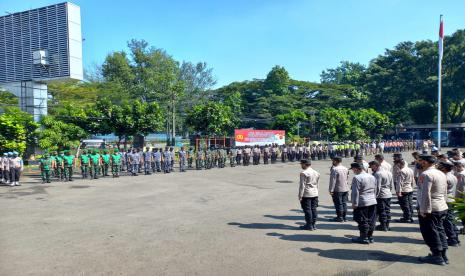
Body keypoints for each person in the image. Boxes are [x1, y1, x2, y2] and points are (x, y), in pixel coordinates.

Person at [417, 154, 449, 266]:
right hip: (441, 206)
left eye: (420, 161)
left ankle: (437, 256)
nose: (419, 162)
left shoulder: (426, 174)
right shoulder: (441, 173)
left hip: (431, 208)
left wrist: (424, 209)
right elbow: (444, 191)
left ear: (425, 162)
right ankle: (443, 255)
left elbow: (426, 193)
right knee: (440, 230)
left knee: (430, 232)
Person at [350, 162, 377, 244]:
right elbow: (375, 189)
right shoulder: (372, 176)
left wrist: (354, 203)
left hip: (362, 202)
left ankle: (363, 237)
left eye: (353, 169)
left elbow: (355, 192)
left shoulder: (357, 178)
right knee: (371, 220)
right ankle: (370, 236)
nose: (353, 171)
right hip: (372, 201)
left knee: (362, 220)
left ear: (356, 169)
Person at [437, 161, 460, 247]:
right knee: (450, 219)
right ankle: (455, 237)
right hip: (451, 199)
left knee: (447, 221)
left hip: (446, 200)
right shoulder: (452, 176)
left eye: (441, 166)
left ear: (444, 168)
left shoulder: (445, 177)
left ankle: (452, 239)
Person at [369, 160, 393, 231]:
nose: (371, 169)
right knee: (387, 210)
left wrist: (375, 196)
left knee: (381, 211)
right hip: (388, 193)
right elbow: (391, 185)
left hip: (381, 195)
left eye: (372, 167)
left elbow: (377, 187)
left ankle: (383, 226)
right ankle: (387, 225)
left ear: (375, 165)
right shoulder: (389, 172)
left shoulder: (378, 174)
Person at [298, 159, 320, 231]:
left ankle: (309, 225)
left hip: (307, 193)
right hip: (315, 193)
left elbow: (302, 185)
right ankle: (313, 224)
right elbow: (317, 184)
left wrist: (300, 195)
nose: (301, 165)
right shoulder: (316, 172)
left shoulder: (304, 173)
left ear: (304, 164)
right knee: (314, 209)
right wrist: (317, 193)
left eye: (301, 164)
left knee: (307, 210)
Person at [328, 156, 349, 222]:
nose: (332, 162)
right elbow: (347, 178)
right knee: (344, 203)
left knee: (338, 203)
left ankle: (340, 217)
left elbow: (333, 181)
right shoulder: (345, 168)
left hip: (338, 189)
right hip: (345, 188)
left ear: (336, 161)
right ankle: (344, 217)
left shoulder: (335, 169)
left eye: (333, 161)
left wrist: (331, 190)